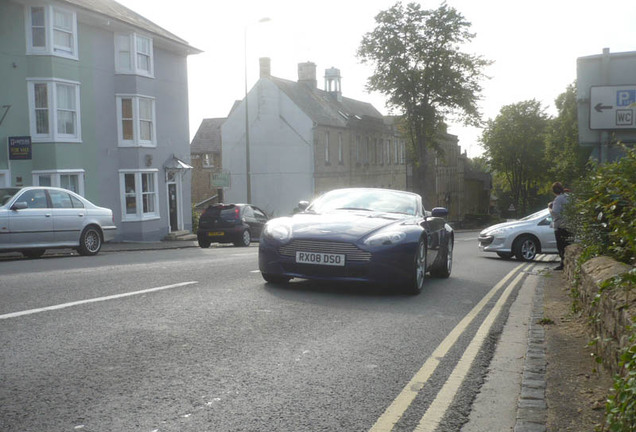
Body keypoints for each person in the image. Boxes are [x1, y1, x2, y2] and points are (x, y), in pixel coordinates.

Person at [548, 182, 571, 270]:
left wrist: (549, 207)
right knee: (568, 244)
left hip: (560, 225)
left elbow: (555, 213)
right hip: (570, 225)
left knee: (561, 246)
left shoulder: (558, 199)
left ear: (553, 191)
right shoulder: (569, 197)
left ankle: (562, 264)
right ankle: (566, 264)